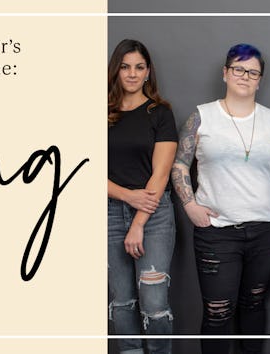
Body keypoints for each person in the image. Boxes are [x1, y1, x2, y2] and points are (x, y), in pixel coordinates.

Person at [170, 43, 270, 354]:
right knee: (218, 313)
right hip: (216, 232)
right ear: (225, 73)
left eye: (252, 72)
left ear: (260, 80)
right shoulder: (201, 116)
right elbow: (180, 162)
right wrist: (189, 205)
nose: (244, 76)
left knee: (254, 303)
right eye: (238, 68)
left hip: (267, 227)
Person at [107, 39, 178, 354]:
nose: (132, 74)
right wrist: (127, 196)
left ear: (148, 72)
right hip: (108, 212)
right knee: (121, 302)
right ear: (116, 71)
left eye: (139, 67)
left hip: (154, 215)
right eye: (125, 67)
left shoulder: (159, 113)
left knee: (153, 303)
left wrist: (138, 221)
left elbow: (161, 174)